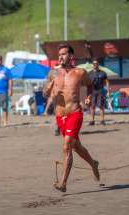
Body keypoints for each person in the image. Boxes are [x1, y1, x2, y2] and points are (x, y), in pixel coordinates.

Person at [43, 44, 99, 192]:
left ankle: (63, 183)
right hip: (60, 117)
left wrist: (88, 97)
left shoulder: (80, 72)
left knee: (67, 146)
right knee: (77, 147)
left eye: (63, 54)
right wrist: (47, 90)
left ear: (71, 56)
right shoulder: (53, 73)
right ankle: (93, 164)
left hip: (75, 114)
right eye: (59, 54)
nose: (60, 57)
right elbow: (44, 94)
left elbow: (90, 86)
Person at [88, 58, 110, 125]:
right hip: (93, 91)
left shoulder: (102, 73)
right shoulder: (90, 73)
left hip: (100, 90)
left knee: (101, 105)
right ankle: (92, 121)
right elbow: (87, 83)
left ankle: (102, 120)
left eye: (96, 63)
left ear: (98, 64)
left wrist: (108, 91)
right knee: (93, 106)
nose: (95, 64)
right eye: (94, 63)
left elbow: (107, 82)